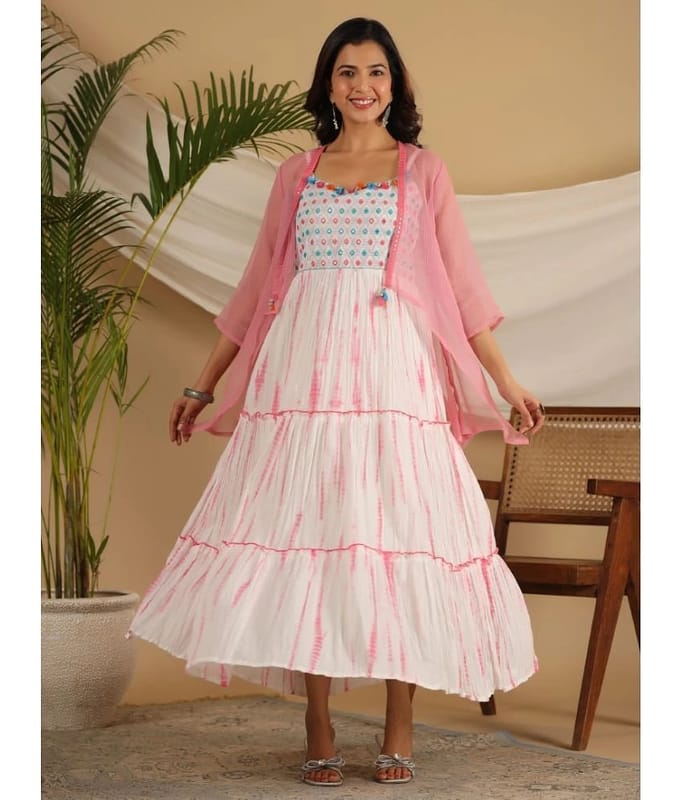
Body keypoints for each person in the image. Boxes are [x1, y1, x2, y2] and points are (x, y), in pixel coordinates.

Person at [128, 17, 545, 787]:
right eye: (347, 71)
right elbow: (256, 288)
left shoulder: (422, 172)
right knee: (311, 531)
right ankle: (316, 720)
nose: (362, 86)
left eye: (376, 71)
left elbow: (463, 289)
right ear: (327, 83)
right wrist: (202, 385)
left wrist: (506, 381)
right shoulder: (297, 174)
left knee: (399, 532)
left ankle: (398, 721)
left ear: (396, 84)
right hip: (304, 377)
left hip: (391, 381)